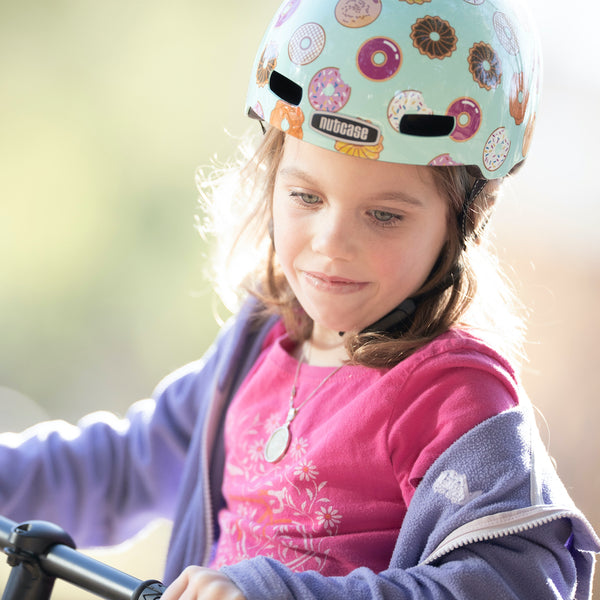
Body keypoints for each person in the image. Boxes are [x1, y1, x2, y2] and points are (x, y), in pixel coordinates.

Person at [1, 1, 598, 599]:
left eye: (385, 215)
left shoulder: (450, 395)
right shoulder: (257, 346)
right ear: (271, 179)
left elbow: (514, 582)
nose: (331, 243)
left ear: (465, 219)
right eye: (307, 197)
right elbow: (125, 465)